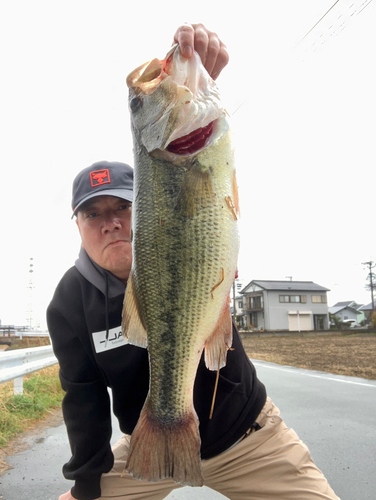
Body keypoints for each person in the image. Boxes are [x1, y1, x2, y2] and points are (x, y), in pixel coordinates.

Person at [47, 24, 340, 500]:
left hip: (250, 438)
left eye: (122, 207)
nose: (111, 223)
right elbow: (82, 398)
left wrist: (198, 77)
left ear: (143, 207)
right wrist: (85, 485)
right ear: (77, 225)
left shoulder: (180, 208)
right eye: (93, 214)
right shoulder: (67, 302)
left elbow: (210, 203)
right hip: (149, 443)